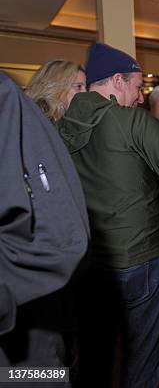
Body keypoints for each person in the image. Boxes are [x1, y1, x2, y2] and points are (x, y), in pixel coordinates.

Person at [57, 42, 159, 388]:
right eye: (137, 85)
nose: (141, 96)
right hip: (140, 257)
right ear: (117, 81)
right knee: (143, 362)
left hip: (87, 263)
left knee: (94, 358)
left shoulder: (60, 126)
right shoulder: (132, 121)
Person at [0, 72, 89, 372]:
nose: (86, 92)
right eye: (78, 85)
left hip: (42, 291)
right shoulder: (22, 112)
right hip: (31, 292)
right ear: (56, 86)